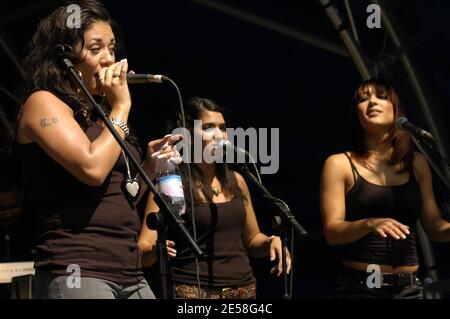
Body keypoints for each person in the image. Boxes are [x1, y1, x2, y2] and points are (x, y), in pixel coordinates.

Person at [16, 1, 181, 299]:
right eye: (95, 49)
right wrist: (121, 106)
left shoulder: (101, 115)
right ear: (63, 57)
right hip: (79, 268)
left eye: (112, 48)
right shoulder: (43, 103)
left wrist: (148, 166)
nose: (109, 60)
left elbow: (124, 192)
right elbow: (92, 169)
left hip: (129, 270)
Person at [138, 97, 291, 299]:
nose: (219, 135)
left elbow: (252, 239)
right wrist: (157, 250)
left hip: (243, 292)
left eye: (223, 128)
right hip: (192, 293)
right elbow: (143, 249)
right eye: (209, 127)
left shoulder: (237, 180)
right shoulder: (171, 183)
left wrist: (272, 241)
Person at [320, 79, 450, 299]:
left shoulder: (417, 163)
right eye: (363, 98)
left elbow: (433, 224)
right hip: (361, 287)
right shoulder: (339, 164)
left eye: (381, 96)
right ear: (357, 114)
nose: (372, 102)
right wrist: (370, 223)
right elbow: (332, 232)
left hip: (411, 289)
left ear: (396, 109)